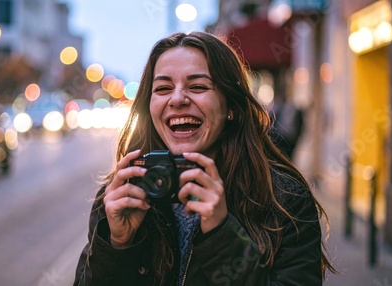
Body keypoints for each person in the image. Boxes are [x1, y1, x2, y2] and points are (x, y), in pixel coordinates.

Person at [73, 31, 335, 285]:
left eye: (197, 86)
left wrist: (222, 233)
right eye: (163, 88)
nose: (177, 99)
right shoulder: (122, 195)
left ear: (231, 106)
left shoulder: (284, 199)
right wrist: (117, 244)